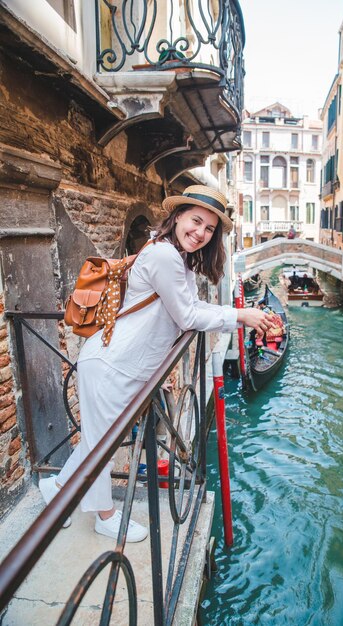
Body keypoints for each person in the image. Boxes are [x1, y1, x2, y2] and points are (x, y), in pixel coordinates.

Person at [39, 185, 274, 542]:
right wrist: (240, 315)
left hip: (123, 365)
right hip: (111, 365)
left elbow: (187, 309)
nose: (201, 233)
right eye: (196, 221)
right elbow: (187, 314)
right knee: (102, 444)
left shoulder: (171, 255)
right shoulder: (164, 256)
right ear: (178, 216)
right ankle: (105, 516)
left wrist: (239, 315)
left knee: (96, 440)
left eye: (209, 229)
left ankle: (56, 489)